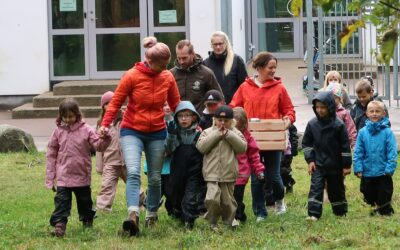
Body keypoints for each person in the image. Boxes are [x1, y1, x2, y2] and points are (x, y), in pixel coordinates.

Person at [100, 36, 181, 236]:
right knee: (134, 171)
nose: (164, 69)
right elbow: (116, 102)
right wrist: (105, 124)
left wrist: (182, 122)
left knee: (154, 177)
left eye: (166, 65)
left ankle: (151, 214)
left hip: (157, 132)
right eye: (160, 66)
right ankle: (133, 214)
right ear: (149, 61)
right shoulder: (131, 76)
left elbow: (176, 104)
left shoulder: (168, 77)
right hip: (132, 130)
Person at [230, 51, 295, 221]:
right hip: (251, 140)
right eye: (270, 67)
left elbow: (289, 110)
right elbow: (233, 107)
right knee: (257, 177)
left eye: (275, 68)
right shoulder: (245, 88)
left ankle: (280, 200)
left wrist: (287, 120)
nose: (273, 71)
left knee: (273, 176)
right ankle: (260, 212)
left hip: (272, 139)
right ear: (259, 68)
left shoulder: (279, 88)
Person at [46, 99, 111, 237]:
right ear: (60, 116)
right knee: (61, 203)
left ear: (77, 114)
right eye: (65, 117)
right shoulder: (58, 132)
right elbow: (51, 155)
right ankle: (59, 226)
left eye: (71, 116)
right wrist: (50, 179)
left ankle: (87, 222)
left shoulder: (86, 129)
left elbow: (98, 145)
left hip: (82, 175)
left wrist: (106, 138)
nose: (68, 119)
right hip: (63, 176)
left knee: (85, 202)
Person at [302, 91, 352, 221]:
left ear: (330, 106)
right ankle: (313, 214)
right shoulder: (312, 124)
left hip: (335, 165)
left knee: (337, 189)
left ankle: (340, 212)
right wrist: (310, 160)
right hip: (318, 164)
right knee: (316, 188)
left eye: (323, 107)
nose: (320, 110)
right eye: (317, 107)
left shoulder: (339, 125)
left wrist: (346, 165)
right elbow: (306, 144)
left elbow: (345, 147)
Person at [196, 105, 247, 232]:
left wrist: (229, 135)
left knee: (228, 201)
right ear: (215, 119)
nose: (222, 123)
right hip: (211, 173)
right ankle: (213, 221)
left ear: (232, 121)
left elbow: (242, 148)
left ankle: (229, 220)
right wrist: (217, 135)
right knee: (212, 198)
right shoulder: (207, 132)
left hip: (228, 173)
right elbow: (201, 147)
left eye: (226, 121)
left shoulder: (235, 133)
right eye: (219, 120)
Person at [353, 101, 398, 216]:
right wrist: (358, 167)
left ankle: (385, 210)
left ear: (383, 113)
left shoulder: (387, 132)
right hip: (367, 171)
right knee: (368, 193)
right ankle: (374, 205)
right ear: (367, 113)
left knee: (384, 193)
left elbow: (392, 151)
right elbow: (358, 151)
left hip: (383, 171)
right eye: (371, 111)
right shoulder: (362, 132)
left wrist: (390, 168)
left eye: (377, 111)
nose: (374, 114)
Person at [165, 101, 203, 230]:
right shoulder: (174, 133)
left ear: (194, 117)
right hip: (177, 171)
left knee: (190, 196)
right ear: (176, 118)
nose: (184, 118)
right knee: (176, 194)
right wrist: (170, 135)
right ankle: (178, 212)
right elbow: (168, 149)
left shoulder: (199, 134)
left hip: (194, 172)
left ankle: (189, 221)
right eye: (181, 116)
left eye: (187, 115)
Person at [170, 39, 223, 114]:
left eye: (184, 58)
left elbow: (219, 98)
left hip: (200, 120)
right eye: (179, 58)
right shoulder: (171, 74)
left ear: (192, 54)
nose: (181, 61)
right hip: (178, 120)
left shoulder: (206, 73)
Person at [233, 107, 265, 223]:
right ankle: (238, 214)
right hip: (227, 172)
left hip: (241, 174)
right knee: (228, 197)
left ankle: (237, 217)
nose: (237, 130)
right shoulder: (226, 135)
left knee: (237, 197)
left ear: (244, 125)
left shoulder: (248, 137)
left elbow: (254, 156)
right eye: (234, 127)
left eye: (239, 127)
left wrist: (259, 170)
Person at [96, 91, 126, 212]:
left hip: (126, 160)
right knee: (107, 186)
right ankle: (103, 208)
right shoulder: (101, 125)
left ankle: (142, 202)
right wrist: (100, 166)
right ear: (103, 107)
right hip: (110, 162)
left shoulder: (125, 118)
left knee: (134, 184)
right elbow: (99, 147)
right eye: (106, 103)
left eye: (113, 102)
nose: (110, 105)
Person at [143, 102, 174, 215]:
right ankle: (149, 207)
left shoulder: (176, 122)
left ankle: (172, 210)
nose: (167, 107)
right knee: (156, 187)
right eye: (163, 105)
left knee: (171, 191)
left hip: (170, 166)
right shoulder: (151, 122)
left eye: (168, 104)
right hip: (154, 164)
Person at [203, 31, 248, 104]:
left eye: (220, 44)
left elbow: (244, 86)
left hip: (234, 107)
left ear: (226, 43)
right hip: (213, 107)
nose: (218, 47)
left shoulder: (237, 61)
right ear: (211, 45)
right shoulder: (206, 63)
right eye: (215, 44)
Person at [325, 83, 357, 149]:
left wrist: (353, 143)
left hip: (341, 144)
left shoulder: (344, 113)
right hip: (326, 144)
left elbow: (351, 128)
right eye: (329, 97)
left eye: (334, 97)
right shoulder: (324, 112)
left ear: (339, 99)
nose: (332, 100)